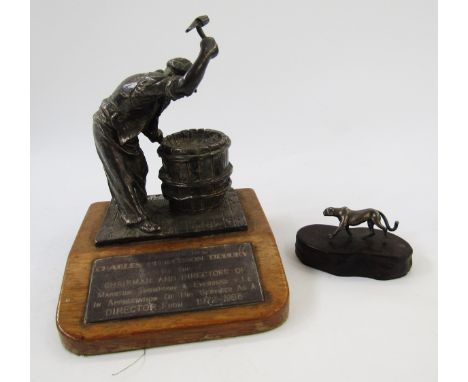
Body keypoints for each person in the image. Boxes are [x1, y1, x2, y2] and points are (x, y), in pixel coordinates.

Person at [93, 37, 219, 233]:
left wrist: (156, 135)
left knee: (138, 169)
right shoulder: (152, 83)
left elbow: (145, 115)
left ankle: (137, 205)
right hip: (109, 128)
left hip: (124, 130)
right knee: (122, 175)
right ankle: (135, 219)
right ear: (174, 76)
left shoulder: (158, 92)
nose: (193, 91)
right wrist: (205, 54)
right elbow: (185, 86)